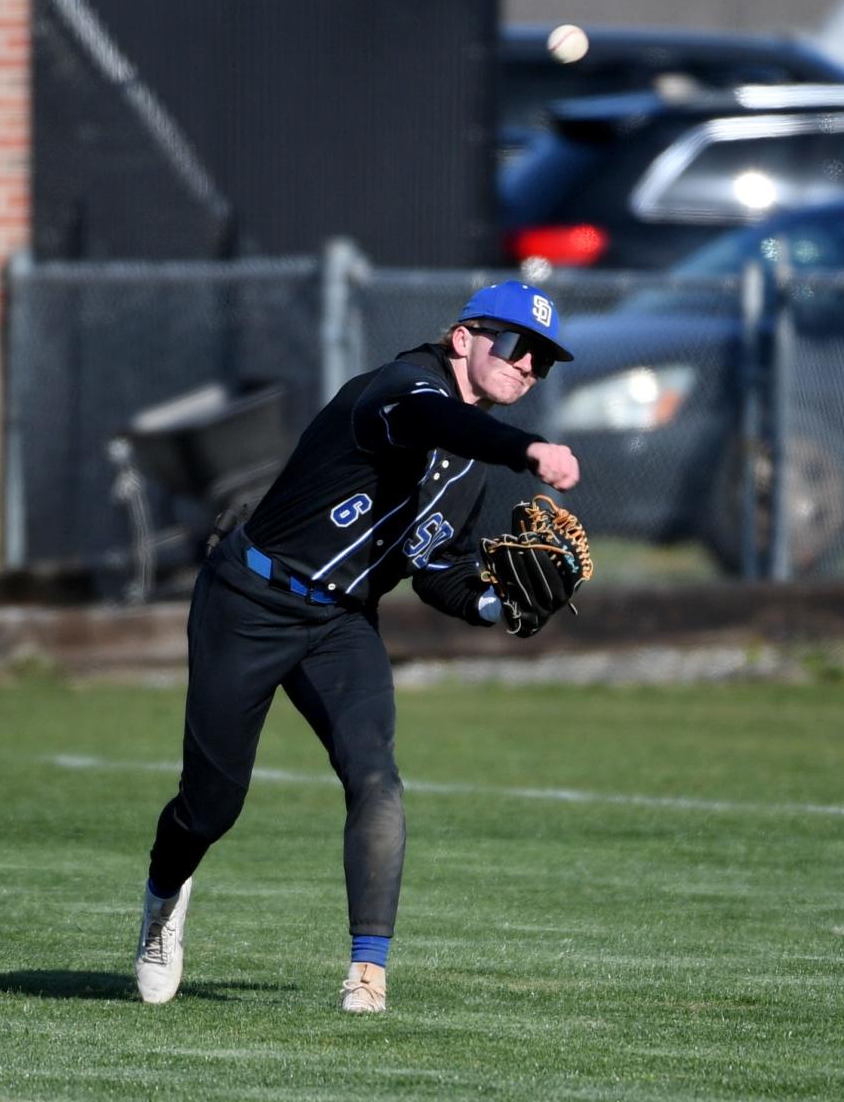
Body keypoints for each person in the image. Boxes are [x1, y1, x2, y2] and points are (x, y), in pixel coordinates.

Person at [134, 279, 580, 1013]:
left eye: (544, 360)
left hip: (340, 625)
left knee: (376, 777)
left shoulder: (469, 471)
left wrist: (501, 602)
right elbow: (441, 421)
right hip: (248, 600)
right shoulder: (401, 388)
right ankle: (161, 901)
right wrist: (528, 449)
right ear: (464, 338)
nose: (529, 364)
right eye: (516, 344)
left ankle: (367, 973)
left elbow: (442, 571)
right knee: (211, 807)